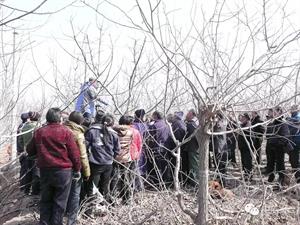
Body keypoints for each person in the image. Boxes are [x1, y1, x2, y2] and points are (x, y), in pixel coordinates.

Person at [26, 108, 81, 225]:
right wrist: (77, 169)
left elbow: (29, 150)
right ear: (60, 118)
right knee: (60, 203)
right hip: (63, 172)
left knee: (45, 201)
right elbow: (75, 154)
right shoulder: (66, 132)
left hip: (45, 171)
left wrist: (40, 153)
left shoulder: (40, 132)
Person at [85, 113, 120, 206]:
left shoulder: (92, 131)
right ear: (112, 123)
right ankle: (104, 207)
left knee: (92, 187)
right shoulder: (114, 134)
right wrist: (111, 157)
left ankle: (90, 209)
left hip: (95, 163)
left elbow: (85, 146)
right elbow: (117, 150)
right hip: (108, 163)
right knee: (105, 187)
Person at [65, 111, 91, 225]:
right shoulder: (78, 133)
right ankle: (72, 221)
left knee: (62, 193)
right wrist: (87, 172)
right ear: (80, 122)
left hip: (60, 168)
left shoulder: (62, 129)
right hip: (74, 168)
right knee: (75, 194)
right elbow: (83, 156)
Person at [112, 115, 142, 204]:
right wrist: (137, 155)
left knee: (115, 178)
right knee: (128, 178)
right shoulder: (135, 132)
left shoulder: (114, 131)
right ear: (130, 123)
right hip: (130, 157)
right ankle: (127, 198)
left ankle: (115, 198)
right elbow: (139, 145)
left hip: (116, 157)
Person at [146, 111, 173, 188]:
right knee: (165, 166)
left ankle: (159, 184)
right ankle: (166, 183)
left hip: (157, 148)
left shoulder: (154, 126)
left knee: (157, 167)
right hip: (166, 148)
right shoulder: (167, 125)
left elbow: (151, 139)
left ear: (155, 116)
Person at [267, 106, 290, 186]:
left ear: (279, 112)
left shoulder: (283, 122)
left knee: (280, 164)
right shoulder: (273, 122)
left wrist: (278, 144)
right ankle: (271, 177)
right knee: (271, 163)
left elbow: (285, 136)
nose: (273, 113)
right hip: (271, 146)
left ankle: (281, 180)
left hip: (279, 148)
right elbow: (269, 134)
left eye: (275, 112)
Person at [19, 111, 41, 195]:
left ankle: (26, 190)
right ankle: (35, 192)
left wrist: (25, 148)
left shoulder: (24, 127)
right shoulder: (37, 128)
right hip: (36, 154)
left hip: (27, 153)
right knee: (36, 174)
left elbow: (20, 141)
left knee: (27, 172)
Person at [182, 109, 199, 186]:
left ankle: (195, 184)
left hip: (193, 148)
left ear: (192, 114)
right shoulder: (195, 123)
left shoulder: (192, 125)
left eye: (188, 113)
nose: (186, 114)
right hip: (193, 148)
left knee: (194, 167)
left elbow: (196, 137)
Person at [211, 113, 228, 186]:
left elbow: (213, 133)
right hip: (222, 147)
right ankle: (221, 181)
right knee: (221, 166)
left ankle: (222, 183)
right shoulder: (223, 123)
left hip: (219, 148)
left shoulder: (218, 124)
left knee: (219, 166)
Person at [132, 109, 148, 191]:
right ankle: (140, 185)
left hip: (136, 149)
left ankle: (137, 186)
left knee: (137, 167)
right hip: (142, 149)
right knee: (140, 167)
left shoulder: (133, 126)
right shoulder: (145, 126)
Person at [237, 113, 253, 181]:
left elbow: (251, 138)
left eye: (243, 117)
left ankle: (249, 176)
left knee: (247, 162)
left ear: (246, 118)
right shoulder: (242, 125)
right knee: (244, 162)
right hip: (242, 147)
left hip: (247, 147)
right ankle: (245, 175)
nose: (241, 119)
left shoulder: (248, 125)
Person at [17, 112, 29, 192]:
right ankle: (23, 187)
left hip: (20, 151)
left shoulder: (20, 126)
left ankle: (23, 186)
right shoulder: (24, 127)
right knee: (24, 169)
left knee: (23, 169)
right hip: (23, 152)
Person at [287, 108, 300, 183]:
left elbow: (296, 121)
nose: (290, 110)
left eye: (292, 109)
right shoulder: (293, 117)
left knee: (294, 160)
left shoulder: (297, 117)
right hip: (293, 141)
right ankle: (297, 176)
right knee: (293, 160)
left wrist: (288, 120)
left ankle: (298, 178)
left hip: (296, 141)